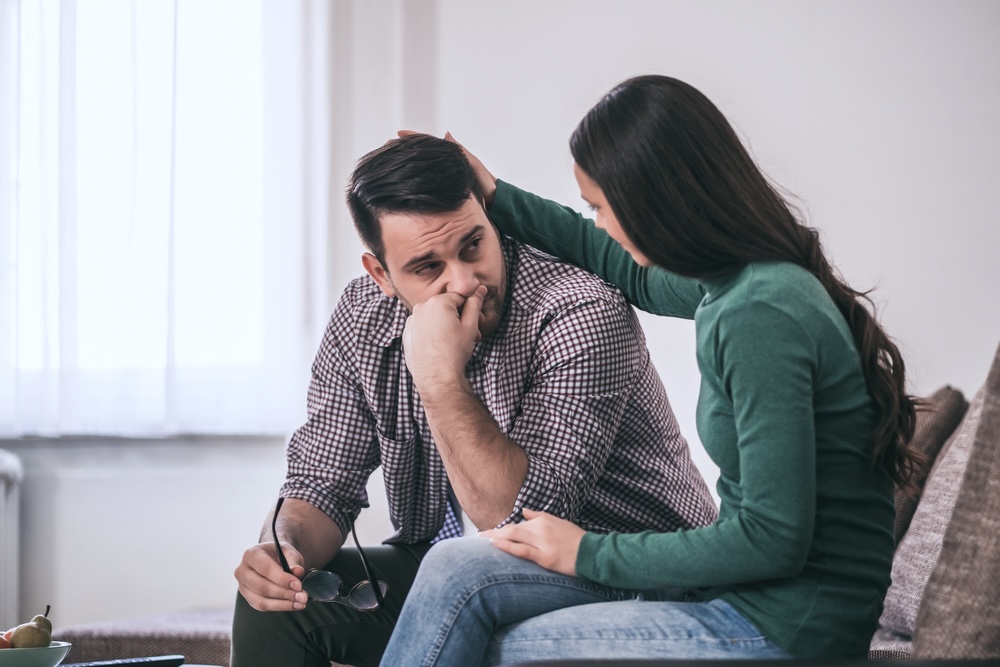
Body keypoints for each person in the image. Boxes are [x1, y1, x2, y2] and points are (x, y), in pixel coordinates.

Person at [380, 75, 925, 665]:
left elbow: (772, 540)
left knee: (500, 647)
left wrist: (586, 551)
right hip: (758, 606)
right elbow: (626, 269)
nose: (600, 225)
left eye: (601, 207)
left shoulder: (759, 311)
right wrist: (498, 195)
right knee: (463, 580)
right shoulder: (738, 281)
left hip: (790, 630)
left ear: (653, 201)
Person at [230, 133, 717, 667]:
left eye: (472, 246)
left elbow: (523, 522)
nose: (464, 282)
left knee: (461, 575)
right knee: (274, 604)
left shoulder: (579, 310)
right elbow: (321, 481)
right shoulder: (363, 316)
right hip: (455, 566)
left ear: (489, 216)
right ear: (381, 275)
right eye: (426, 267)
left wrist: (439, 378)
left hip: (621, 570)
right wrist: (282, 549)